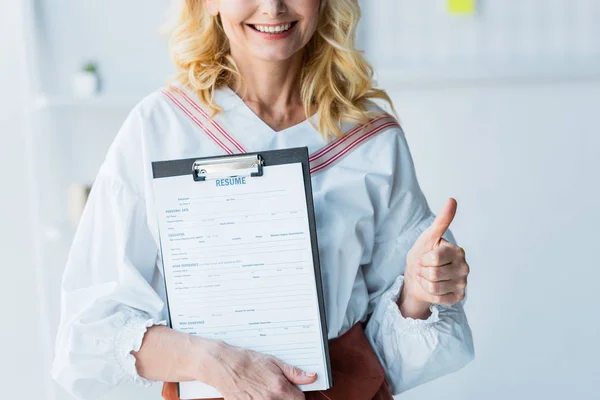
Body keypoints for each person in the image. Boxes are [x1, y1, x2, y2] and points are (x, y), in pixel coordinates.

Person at [51, 1, 474, 399]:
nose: (272, 7)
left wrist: (418, 294)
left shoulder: (371, 139)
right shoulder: (160, 128)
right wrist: (212, 361)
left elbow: (390, 352)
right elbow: (93, 327)